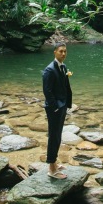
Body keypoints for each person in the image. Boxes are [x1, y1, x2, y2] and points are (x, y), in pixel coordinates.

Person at [42, 43, 72, 179]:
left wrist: (67, 104)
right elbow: (47, 91)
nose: (63, 54)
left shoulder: (63, 67)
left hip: (62, 106)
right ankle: (51, 169)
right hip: (54, 108)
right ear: (55, 52)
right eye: (61, 51)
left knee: (58, 135)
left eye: (65, 51)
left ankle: (54, 162)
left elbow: (65, 86)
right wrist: (55, 107)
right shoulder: (49, 70)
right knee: (53, 136)